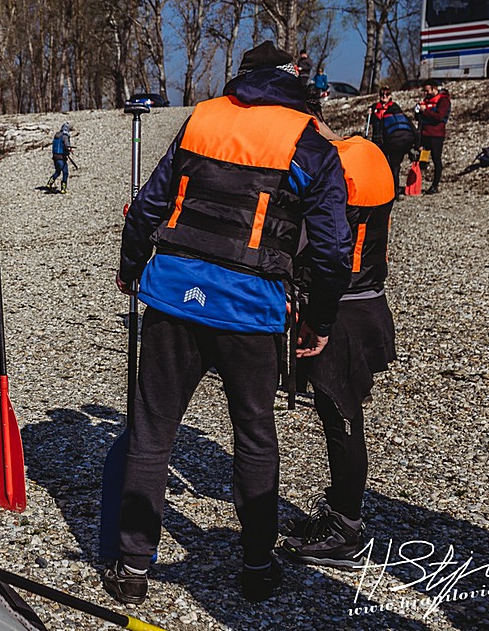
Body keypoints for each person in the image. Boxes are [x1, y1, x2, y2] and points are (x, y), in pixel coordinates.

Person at [105, 41, 352, 605]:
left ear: (243, 78)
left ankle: (133, 568)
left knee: (152, 431)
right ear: (294, 81)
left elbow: (147, 207)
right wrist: (318, 320)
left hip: (173, 298)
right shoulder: (309, 142)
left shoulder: (203, 119)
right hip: (251, 309)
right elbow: (333, 252)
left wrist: (131, 267)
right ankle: (258, 566)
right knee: (254, 436)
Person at [282, 133, 396, 569]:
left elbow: (311, 244)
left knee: (341, 417)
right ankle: (339, 513)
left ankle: (345, 528)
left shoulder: (331, 166)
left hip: (337, 309)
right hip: (369, 299)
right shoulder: (369, 154)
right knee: (340, 415)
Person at [368, 88, 417, 196]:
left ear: (390, 96)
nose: (384, 96)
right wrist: (370, 113)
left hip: (392, 140)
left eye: (387, 94)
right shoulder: (375, 107)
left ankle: (394, 191)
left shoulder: (394, 108)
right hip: (378, 140)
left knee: (394, 166)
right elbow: (372, 123)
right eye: (382, 94)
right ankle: (383, 188)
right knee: (380, 165)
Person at [415, 81, 451, 194]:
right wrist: (417, 111)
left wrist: (425, 111)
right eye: (424, 91)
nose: (426, 93)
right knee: (422, 159)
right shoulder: (426, 100)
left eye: (427, 91)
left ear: (434, 88)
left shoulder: (443, 100)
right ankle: (418, 183)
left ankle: (435, 185)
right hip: (424, 135)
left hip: (436, 136)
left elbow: (439, 117)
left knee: (436, 159)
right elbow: (419, 118)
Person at [45, 122, 74, 193]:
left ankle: (49, 183)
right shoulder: (65, 136)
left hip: (55, 156)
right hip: (61, 157)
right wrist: (70, 149)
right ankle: (63, 189)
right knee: (65, 173)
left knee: (57, 172)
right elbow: (67, 146)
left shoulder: (57, 136)